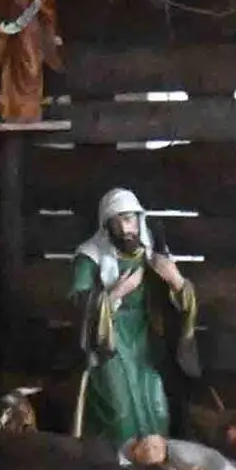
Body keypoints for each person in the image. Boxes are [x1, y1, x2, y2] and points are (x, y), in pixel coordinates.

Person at [71, 186, 197, 444]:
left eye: (130, 219)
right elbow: (79, 302)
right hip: (110, 341)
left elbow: (181, 303)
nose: (126, 229)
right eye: (118, 222)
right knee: (121, 414)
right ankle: (117, 469)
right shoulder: (90, 256)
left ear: (140, 220)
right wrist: (115, 294)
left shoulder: (152, 255)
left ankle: (155, 469)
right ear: (107, 226)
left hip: (145, 339)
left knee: (157, 409)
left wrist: (175, 280)